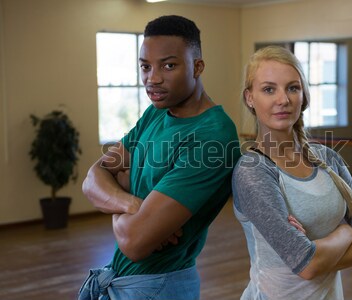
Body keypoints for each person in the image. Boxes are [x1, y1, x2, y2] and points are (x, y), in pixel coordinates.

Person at [79, 15, 240, 300]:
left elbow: (134, 242)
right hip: (123, 278)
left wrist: (116, 192)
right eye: (145, 66)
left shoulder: (212, 136)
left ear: (197, 67)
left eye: (168, 65)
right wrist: (133, 204)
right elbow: (92, 179)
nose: (152, 78)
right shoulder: (156, 111)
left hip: (159, 287)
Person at [232, 46, 352, 300]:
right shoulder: (253, 171)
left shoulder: (329, 159)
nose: (283, 100)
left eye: (292, 88)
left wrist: (314, 255)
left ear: (304, 95)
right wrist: (345, 232)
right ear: (250, 98)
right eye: (269, 89)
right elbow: (308, 265)